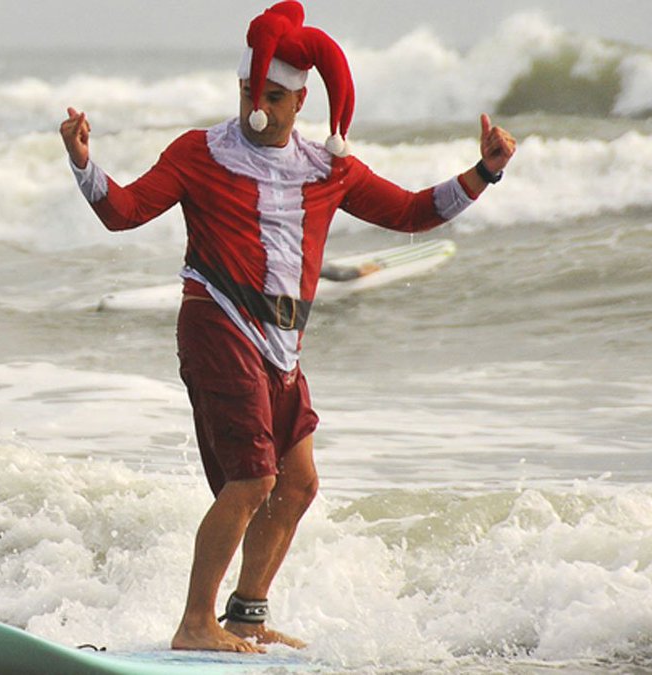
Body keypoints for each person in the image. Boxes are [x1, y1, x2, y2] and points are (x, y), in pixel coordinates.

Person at [58, 1, 515, 655]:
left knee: (298, 483)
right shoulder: (199, 152)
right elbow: (124, 212)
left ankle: (245, 614)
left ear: (300, 102)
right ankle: (194, 623)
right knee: (252, 480)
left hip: (282, 347)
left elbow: (412, 212)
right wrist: (83, 164)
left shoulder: (328, 169)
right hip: (217, 322)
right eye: (250, 91)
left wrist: (486, 172)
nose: (257, 107)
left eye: (273, 96)